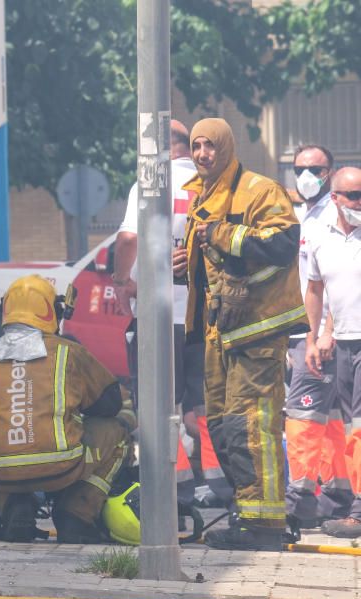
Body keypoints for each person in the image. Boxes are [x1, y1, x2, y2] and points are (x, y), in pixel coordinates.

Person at [172, 118, 306, 551]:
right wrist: (187, 264)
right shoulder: (203, 196)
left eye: (210, 146)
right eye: (196, 146)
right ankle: (246, 515)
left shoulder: (260, 190)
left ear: (227, 146)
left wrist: (220, 233)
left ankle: (264, 528)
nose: (202, 154)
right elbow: (216, 264)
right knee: (224, 427)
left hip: (257, 331)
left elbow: (282, 245)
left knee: (251, 426)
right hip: (219, 333)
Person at [112, 119, 231, 510]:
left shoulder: (151, 185)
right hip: (206, 315)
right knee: (207, 401)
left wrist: (122, 279)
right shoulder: (213, 184)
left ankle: (172, 486)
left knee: (160, 402)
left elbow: (129, 238)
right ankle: (219, 482)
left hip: (161, 315)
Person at [0, 275, 132, 543]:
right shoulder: (69, 352)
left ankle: (13, 507)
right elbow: (109, 405)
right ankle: (76, 513)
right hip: (61, 467)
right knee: (118, 431)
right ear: (52, 311)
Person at [284, 146, 353, 528]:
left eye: (315, 169)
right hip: (312, 332)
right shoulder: (308, 214)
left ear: (330, 173)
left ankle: (300, 497)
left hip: (324, 336)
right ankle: (340, 491)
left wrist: (318, 335)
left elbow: (330, 283)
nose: (306, 175)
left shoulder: (334, 214)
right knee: (328, 417)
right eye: (299, 168)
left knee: (304, 412)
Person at [304, 167, 361, 539]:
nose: (360, 203)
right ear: (336, 198)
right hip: (343, 342)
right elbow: (316, 290)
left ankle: (357, 511)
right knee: (351, 427)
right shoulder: (319, 236)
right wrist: (317, 336)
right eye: (353, 196)